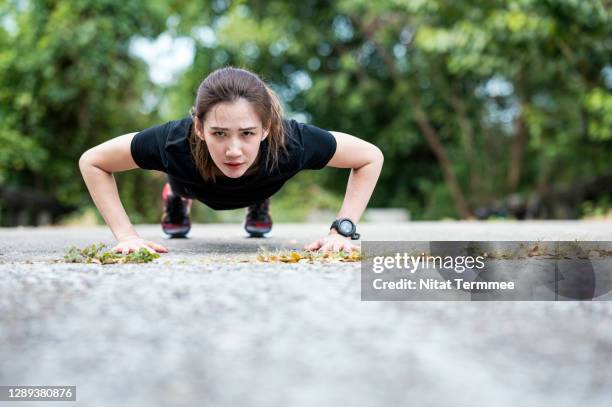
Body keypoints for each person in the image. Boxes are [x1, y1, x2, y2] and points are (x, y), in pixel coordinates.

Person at [79, 67, 384, 254]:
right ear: (199, 128)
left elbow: (369, 157)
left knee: (263, 180)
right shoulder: (173, 140)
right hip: (193, 185)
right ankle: (175, 197)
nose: (234, 150)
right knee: (182, 186)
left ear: (266, 128)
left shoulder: (293, 141)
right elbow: (93, 161)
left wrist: (341, 231)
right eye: (220, 133)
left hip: (261, 184)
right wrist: (126, 236)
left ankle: (259, 201)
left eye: (248, 133)